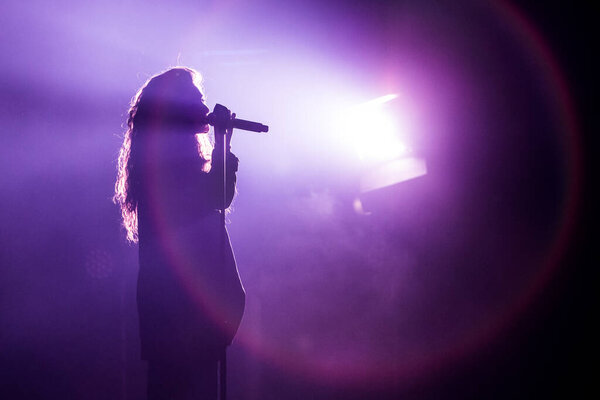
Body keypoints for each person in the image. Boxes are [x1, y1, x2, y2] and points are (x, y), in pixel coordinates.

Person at [114, 67, 245, 400]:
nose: (206, 105)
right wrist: (222, 142)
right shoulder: (164, 162)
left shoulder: (167, 158)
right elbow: (219, 195)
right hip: (182, 319)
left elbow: (217, 196)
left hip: (184, 319)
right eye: (198, 99)